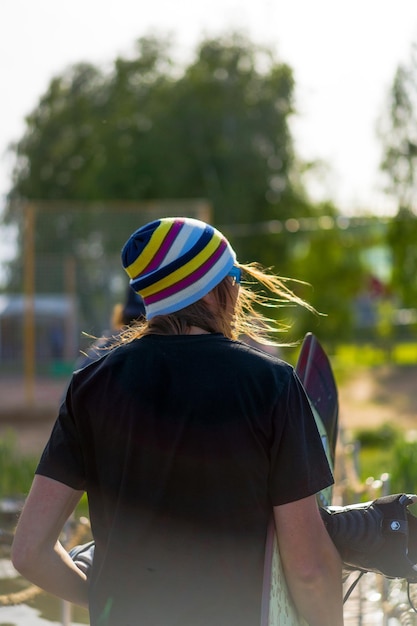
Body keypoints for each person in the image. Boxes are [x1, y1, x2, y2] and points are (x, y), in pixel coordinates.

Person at [12, 216, 344, 626]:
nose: (238, 295)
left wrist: (104, 599)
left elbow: (29, 552)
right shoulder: (270, 384)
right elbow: (309, 570)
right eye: (235, 280)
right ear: (215, 291)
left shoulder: (91, 386)